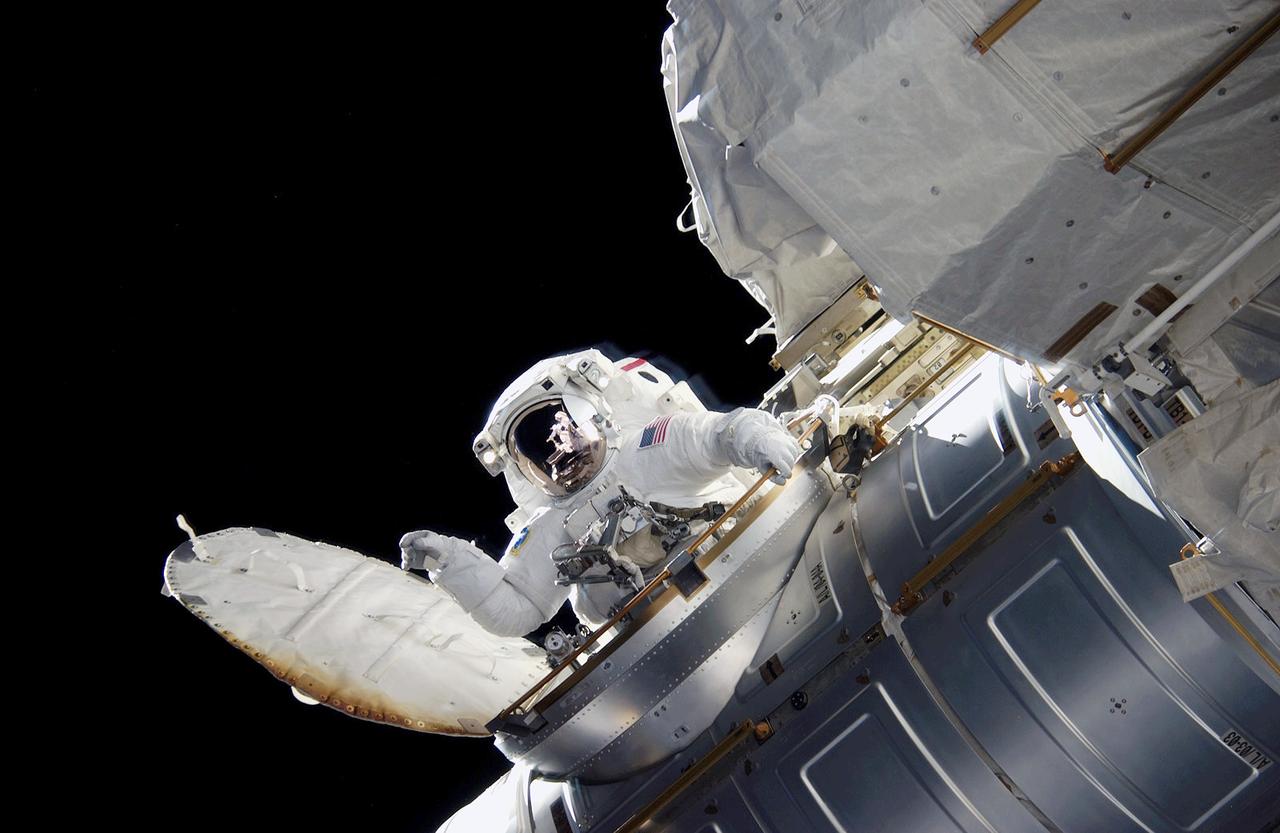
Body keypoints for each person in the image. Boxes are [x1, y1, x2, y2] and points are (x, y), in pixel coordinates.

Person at [397, 349, 806, 637]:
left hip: (747, 560)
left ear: (593, 414)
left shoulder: (650, 447)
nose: (559, 449)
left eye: (564, 428)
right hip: (649, 632)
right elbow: (517, 608)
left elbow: (720, 434)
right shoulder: (549, 528)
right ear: (522, 470)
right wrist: (450, 562)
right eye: (540, 449)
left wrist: (758, 440)